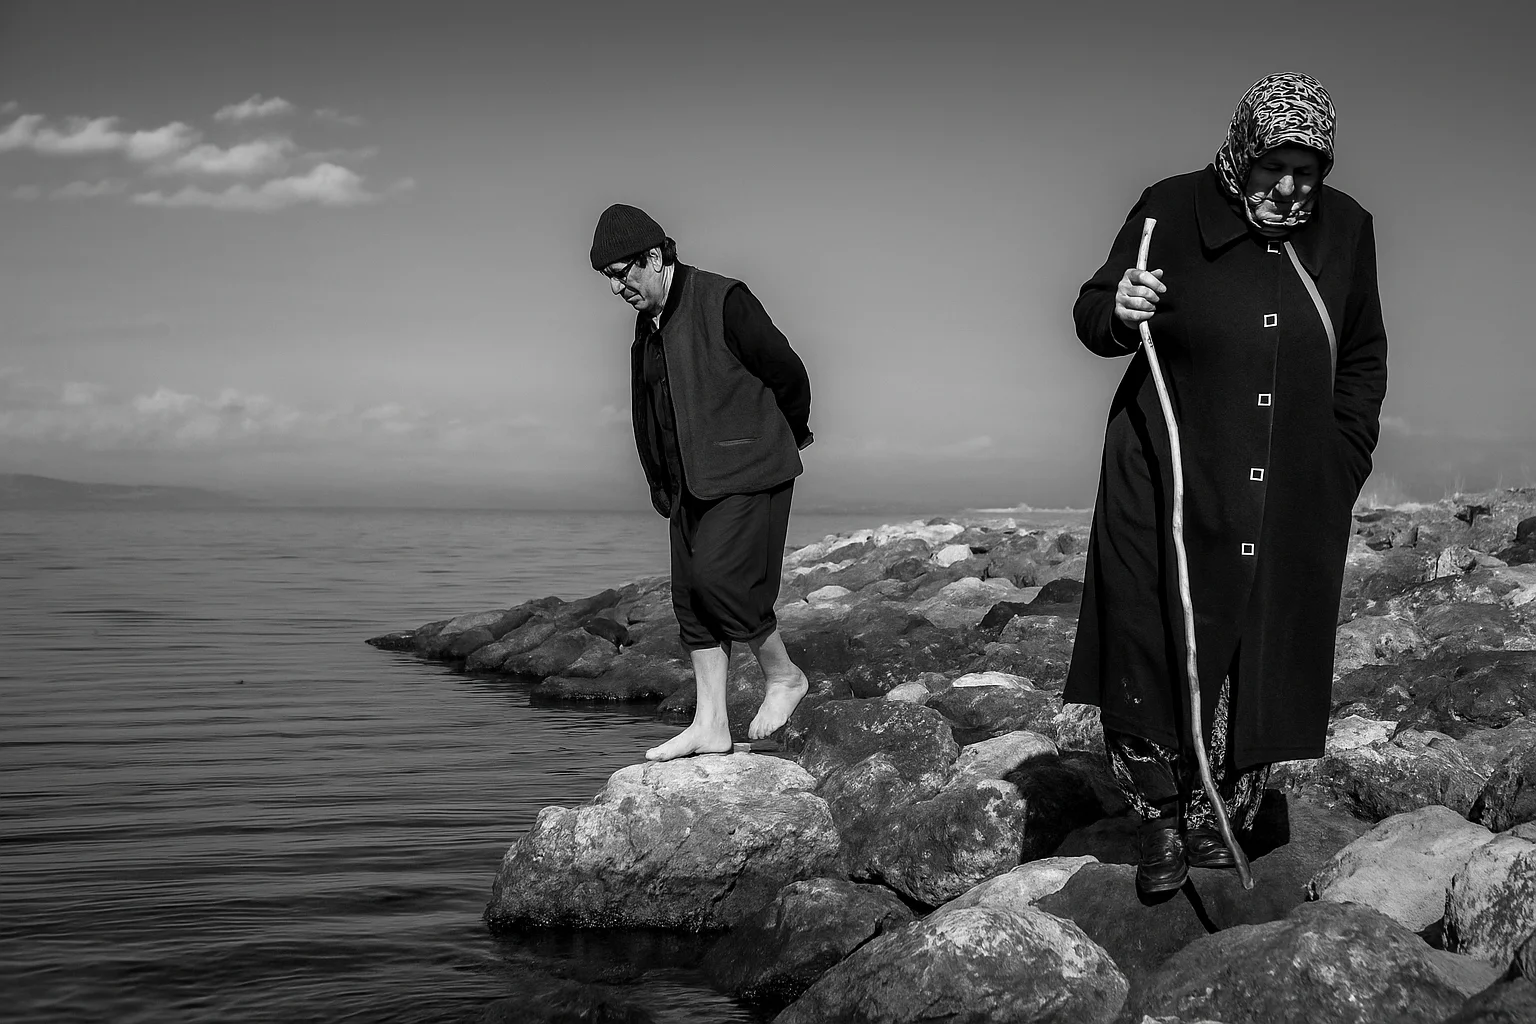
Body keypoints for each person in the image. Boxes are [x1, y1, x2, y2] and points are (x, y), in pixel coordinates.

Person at [1063, 73, 1388, 893]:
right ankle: (1161, 821)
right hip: (1165, 473)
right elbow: (1095, 310)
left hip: (1291, 484)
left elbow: (1363, 355)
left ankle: (1222, 820)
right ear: (1243, 151)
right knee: (1149, 630)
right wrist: (1120, 306)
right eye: (1274, 165)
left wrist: (1344, 460)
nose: (1289, 187)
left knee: (1259, 639)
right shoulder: (1168, 207)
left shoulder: (1348, 228)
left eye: (1307, 170)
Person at [590, 203, 815, 762]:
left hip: (748, 471)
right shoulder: (648, 325)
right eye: (609, 280)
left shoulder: (723, 298)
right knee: (690, 600)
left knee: (721, 581)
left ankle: (785, 676)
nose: (619, 288)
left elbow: (789, 373)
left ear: (653, 257)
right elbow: (649, 407)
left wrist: (768, 440)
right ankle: (710, 723)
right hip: (686, 484)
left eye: (624, 273)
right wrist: (660, 480)